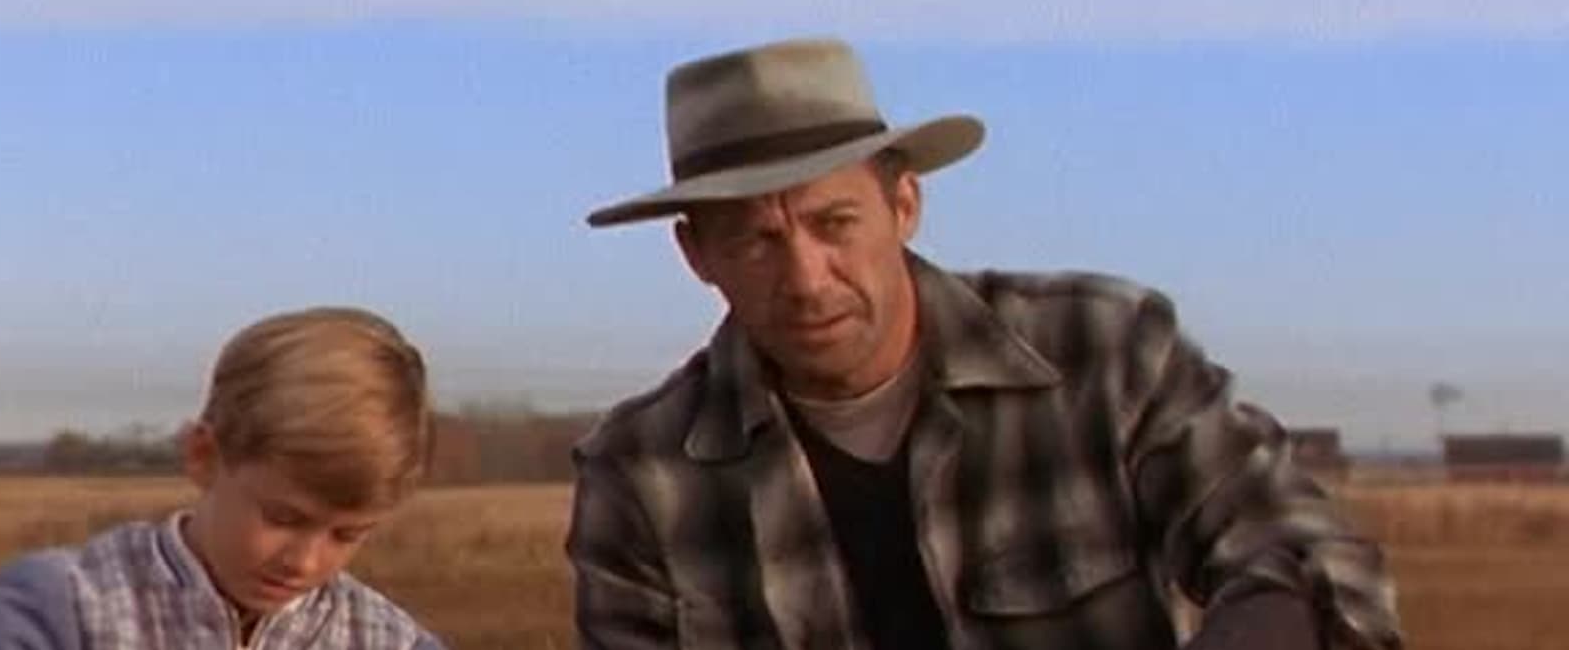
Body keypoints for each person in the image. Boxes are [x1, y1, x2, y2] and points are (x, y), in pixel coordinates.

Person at [565, 37, 1402, 650]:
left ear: (904, 207)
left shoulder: (1104, 354)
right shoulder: (642, 476)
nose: (808, 278)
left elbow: (1301, 555)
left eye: (834, 224)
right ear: (697, 255)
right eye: (757, 240)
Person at [0, 307, 443, 649]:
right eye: (282, 518)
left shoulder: (388, 641)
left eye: (346, 534)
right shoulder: (61, 610)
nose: (304, 562)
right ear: (204, 456)